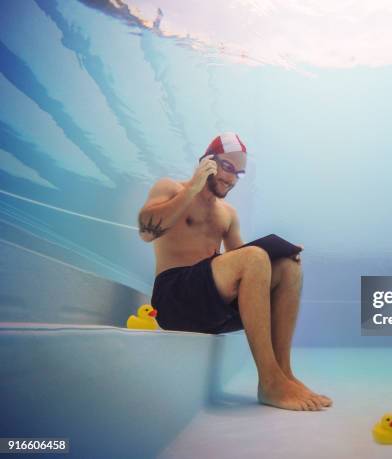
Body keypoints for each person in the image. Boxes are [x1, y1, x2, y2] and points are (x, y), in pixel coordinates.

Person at [137, 132, 332, 411]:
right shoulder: (170, 188)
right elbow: (146, 232)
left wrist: (280, 255)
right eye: (227, 167)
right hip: (173, 299)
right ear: (207, 160)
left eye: (238, 173)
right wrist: (192, 187)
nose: (231, 178)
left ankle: (283, 374)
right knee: (253, 258)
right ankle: (270, 382)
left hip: (211, 308)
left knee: (288, 268)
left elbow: (249, 265)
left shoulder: (227, 214)